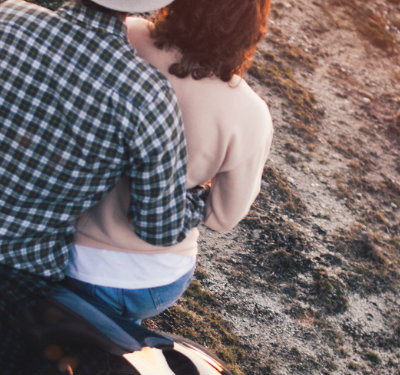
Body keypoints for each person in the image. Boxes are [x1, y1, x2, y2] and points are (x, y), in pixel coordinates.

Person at [0, 0, 209, 372]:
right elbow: (158, 225)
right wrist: (200, 198)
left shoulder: (9, 15)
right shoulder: (146, 93)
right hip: (6, 265)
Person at [66, 0, 274, 324]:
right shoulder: (251, 114)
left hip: (65, 248)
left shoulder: (129, 34)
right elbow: (222, 217)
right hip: (152, 277)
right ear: (250, 30)